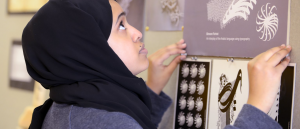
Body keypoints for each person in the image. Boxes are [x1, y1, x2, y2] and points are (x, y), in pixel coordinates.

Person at [21, 0, 291, 129]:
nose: (137, 32)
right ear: (89, 49)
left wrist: (151, 89)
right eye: (121, 26)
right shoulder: (101, 121)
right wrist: (257, 107)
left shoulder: (71, 106)